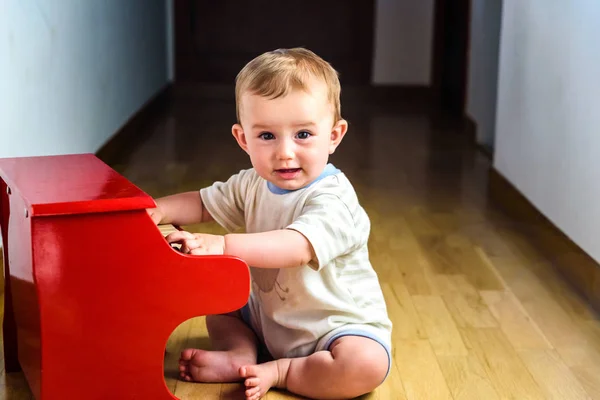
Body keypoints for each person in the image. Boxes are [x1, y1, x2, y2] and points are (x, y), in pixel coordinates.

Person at [148, 47, 392, 400]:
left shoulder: (334, 200)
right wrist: (158, 210)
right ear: (243, 139)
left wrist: (223, 245)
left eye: (303, 134)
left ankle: (284, 371)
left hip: (333, 329)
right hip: (267, 317)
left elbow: (295, 247)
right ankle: (241, 354)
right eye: (267, 136)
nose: (285, 152)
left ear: (334, 136)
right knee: (219, 305)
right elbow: (202, 202)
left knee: (366, 365)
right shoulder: (251, 182)